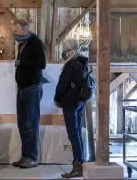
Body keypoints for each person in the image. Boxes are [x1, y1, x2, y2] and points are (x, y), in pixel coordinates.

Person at [12, 20, 46, 169]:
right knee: (22, 123)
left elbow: (41, 64)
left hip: (32, 88)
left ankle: (32, 158)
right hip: (22, 87)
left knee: (31, 123)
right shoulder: (23, 43)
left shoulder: (35, 42)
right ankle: (25, 155)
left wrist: (21, 63)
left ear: (24, 31)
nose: (15, 34)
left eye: (16, 31)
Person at [54, 39, 88, 178]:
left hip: (70, 103)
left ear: (68, 51)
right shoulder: (83, 63)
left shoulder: (71, 65)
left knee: (73, 134)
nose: (62, 53)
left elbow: (63, 85)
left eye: (63, 50)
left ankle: (77, 165)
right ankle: (81, 165)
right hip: (80, 102)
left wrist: (57, 99)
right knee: (77, 133)